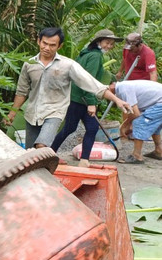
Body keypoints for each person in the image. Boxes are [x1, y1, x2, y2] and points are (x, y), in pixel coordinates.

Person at [4, 27, 130, 149]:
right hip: (32, 113)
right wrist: (12, 113)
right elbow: (22, 91)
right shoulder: (29, 64)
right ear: (39, 41)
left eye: (52, 45)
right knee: (31, 153)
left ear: (60, 46)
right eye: (44, 43)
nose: (47, 48)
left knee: (41, 146)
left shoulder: (68, 65)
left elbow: (92, 84)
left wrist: (117, 100)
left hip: (54, 112)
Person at [49, 29, 122, 166]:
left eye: (111, 44)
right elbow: (89, 81)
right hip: (83, 99)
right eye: (107, 42)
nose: (109, 46)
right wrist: (91, 103)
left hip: (75, 97)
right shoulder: (95, 56)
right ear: (98, 41)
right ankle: (82, 160)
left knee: (71, 128)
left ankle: (53, 154)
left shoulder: (85, 54)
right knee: (90, 128)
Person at [109, 80, 162, 164]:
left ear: (111, 86)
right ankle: (159, 151)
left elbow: (136, 114)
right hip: (158, 101)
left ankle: (137, 156)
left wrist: (124, 125)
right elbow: (135, 111)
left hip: (160, 103)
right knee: (152, 124)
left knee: (139, 123)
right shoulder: (124, 86)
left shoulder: (123, 89)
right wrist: (128, 124)